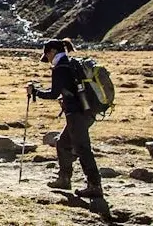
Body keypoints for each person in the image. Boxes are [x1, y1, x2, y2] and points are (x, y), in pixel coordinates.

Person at [28, 39, 103, 198]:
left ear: (53, 51)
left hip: (76, 114)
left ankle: (94, 185)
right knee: (63, 143)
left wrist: (36, 92)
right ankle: (64, 178)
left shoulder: (60, 68)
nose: (47, 58)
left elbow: (54, 93)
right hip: (85, 112)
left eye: (47, 54)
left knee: (82, 149)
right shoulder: (71, 63)